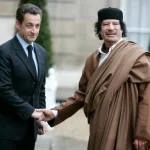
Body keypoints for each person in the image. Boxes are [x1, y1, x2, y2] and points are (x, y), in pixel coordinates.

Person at [38, 7, 150, 150]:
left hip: (125, 127)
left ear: (122, 28)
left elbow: (146, 97)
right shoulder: (92, 60)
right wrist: (55, 112)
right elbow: (81, 95)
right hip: (99, 126)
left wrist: (142, 132)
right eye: (105, 24)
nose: (111, 28)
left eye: (115, 24)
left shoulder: (136, 56)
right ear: (99, 29)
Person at [0, 3, 49, 150]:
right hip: (7, 131)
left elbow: (40, 88)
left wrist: (41, 116)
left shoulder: (41, 52)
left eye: (37, 26)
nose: (34, 31)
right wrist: (32, 112)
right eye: (29, 25)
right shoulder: (4, 52)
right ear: (18, 24)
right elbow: (4, 90)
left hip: (30, 130)